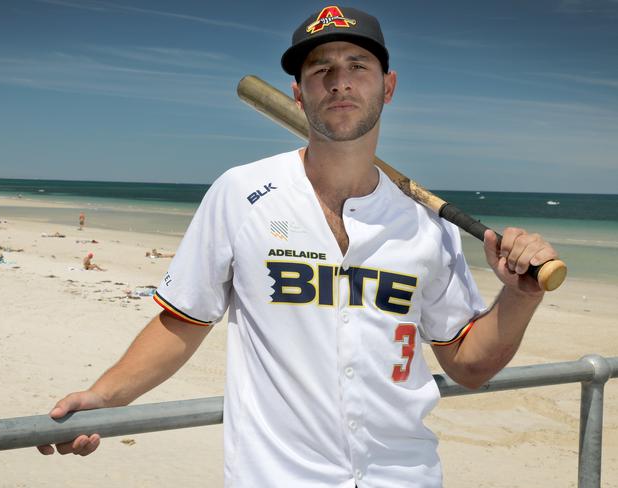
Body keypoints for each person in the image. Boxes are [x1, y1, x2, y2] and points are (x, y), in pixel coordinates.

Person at [38, 6, 559, 487]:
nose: (339, 82)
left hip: (407, 476)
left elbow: (469, 366)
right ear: (297, 93)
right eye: (320, 69)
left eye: (357, 65)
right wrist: (106, 396)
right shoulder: (242, 194)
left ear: (389, 86)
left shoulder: (428, 225)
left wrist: (520, 296)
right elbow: (183, 321)